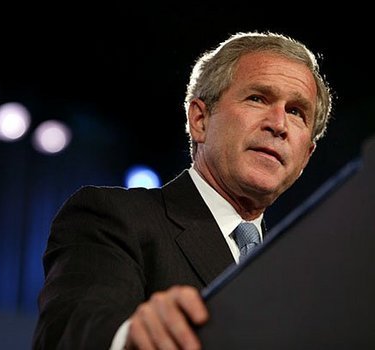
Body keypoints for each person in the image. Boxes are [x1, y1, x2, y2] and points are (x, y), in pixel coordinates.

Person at [32, 30, 333, 349]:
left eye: (296, 112)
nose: (279, 124)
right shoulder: (112, 216)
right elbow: (70, 331)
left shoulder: (302, 275)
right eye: (258, 98)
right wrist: (131, 338)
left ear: (306, 155)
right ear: (200, 120)